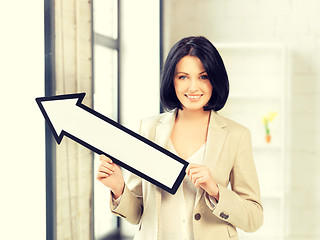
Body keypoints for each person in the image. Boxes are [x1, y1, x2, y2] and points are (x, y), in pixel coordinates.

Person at [97, 36, 263, 240]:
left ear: (215, 79)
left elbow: (254, 218)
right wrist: (118, 188)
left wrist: (215, 190)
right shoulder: (148, 129)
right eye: (183, 77)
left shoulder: (236, 135)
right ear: (171, 80)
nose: (193, 87)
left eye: (203, 77)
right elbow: (137, 214)